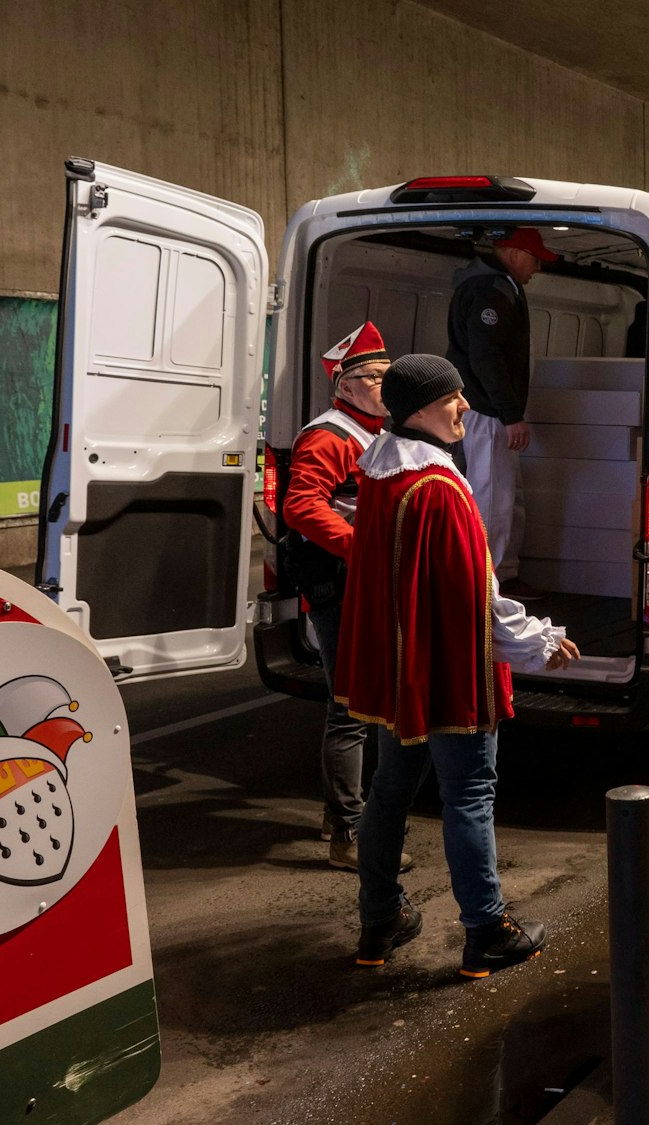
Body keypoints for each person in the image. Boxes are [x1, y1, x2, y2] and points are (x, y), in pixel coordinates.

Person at [336, 354, 582, 977]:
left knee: (389, 791)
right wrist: (539, 642)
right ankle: (486, 930)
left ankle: (379, 919)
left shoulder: (383, 473)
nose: (465, 408)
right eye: (454, 398)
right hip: (445, 669)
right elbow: (480, 592)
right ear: (419, 409)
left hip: (400, 672)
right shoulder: (439, 487)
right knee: (469, 793)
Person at [281, 321, 410, 873]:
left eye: (388, 375)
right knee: (352, 707)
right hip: (340, 584)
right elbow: (301, 505)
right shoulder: (329, 436)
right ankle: (349, 833)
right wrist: (361, 547)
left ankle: (345, 817)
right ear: (344, 383)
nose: (385, 384)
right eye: (373, 376)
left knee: (365, 702)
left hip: (362, 581)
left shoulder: (377, 431)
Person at [447, 229, 557, 584]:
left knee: (507, 497)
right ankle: (487, 586)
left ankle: (504, 575)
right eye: (534, 257)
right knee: (492, 499)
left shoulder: (500, 286)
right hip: (487, 410)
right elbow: (486, 357)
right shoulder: (491, 290)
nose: (537, 267)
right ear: (512, 252)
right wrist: (510, 414)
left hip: (489, 409)